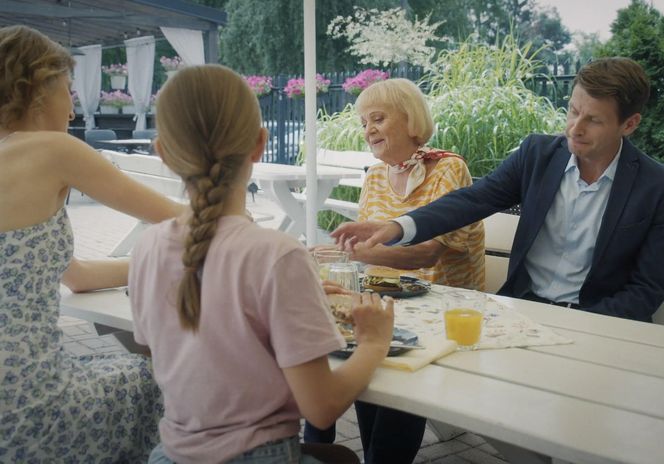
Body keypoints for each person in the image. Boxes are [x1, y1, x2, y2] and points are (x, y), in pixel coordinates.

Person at [127, 64, 395, 464]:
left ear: (162, 151)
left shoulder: (146, 247)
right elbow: (320, 408)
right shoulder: (278, 255)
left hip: (171, 455)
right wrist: (374, 343)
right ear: (259, 144)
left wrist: (277, 306)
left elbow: (167, 348)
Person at [333, 57, 664, 323]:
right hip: (523, 311)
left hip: (604, 323)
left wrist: (584, 326)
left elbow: (646, 290)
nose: (574, 129)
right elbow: (474, 199)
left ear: (629, 124)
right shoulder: (537, 155)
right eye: (574, 111)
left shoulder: (655, 186)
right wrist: (396, 226)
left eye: (593, 120)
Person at [0, 25, 183, 461]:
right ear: (39, 89)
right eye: (69, 92)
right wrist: (237, 215)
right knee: (164, 379)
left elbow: (76, 276)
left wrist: (152, 262)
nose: (72, 110)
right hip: (26, 408)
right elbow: (185, 219)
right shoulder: (54, 150)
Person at [307, 78, 486, 463]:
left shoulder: (448, 169)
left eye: (378, 118)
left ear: (411, 119)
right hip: (390, 303)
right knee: (336, 340)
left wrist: (354, 254)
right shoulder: (374, 176)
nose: (368, 129)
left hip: (443, 310)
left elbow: (427, 254)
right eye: (363, 122)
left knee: (373, 350)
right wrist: (342, 254)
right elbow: (366, 250)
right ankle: (335, 449)